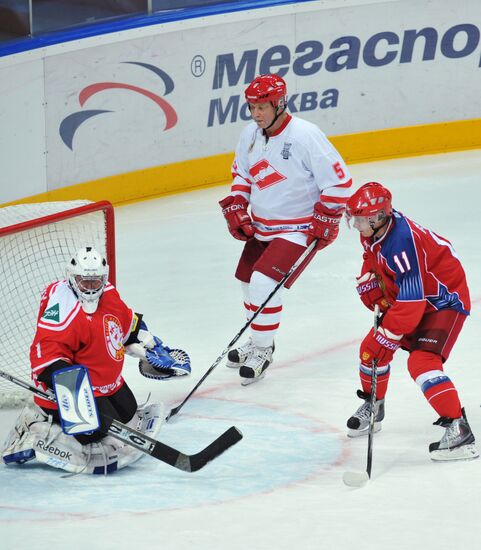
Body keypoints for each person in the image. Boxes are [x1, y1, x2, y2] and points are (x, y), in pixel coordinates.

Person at [2, 246, 190, 474]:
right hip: (70, 386)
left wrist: (150, 347)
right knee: (94, 433)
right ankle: (35, 428)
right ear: (72, 279)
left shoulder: (108, 293)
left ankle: (86, 412)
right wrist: (74, 395)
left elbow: (127, 324)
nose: (91, 287)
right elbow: (46, 357)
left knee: (128, 414)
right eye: (85, 281)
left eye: (96, 280)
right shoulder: (63, 308)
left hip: (102, 380)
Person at [219, 74, 352, 385]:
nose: (256, 113)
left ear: (279, 104)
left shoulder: (306, 135)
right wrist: (239, 203)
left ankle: (263, 350)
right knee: (246, 282)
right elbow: (241, 173)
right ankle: (257, 339)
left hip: (298, 229)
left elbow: (340, 183)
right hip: (262, 227)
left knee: (264, 283)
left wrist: (326, 216)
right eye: (251, 106)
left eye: (262, 107)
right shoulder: (250, 134)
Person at [345, 182, 478, 461]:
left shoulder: (403, 241)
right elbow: (372, 258)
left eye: (360, 219)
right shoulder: (374, 231)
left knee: (421, 363)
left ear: (378, 217)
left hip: (443, 301)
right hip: (416, 297)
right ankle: (374, 406)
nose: (356, 225)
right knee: (370, 352)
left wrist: (389, 335)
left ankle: (459, 430)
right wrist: (372, 282)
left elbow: (412, 301)